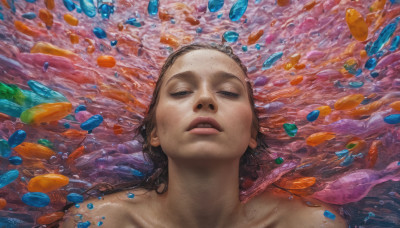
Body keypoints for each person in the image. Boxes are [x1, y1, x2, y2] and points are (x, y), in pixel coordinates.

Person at [61, 43, 347, 227]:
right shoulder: (97, 222)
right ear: (155, 132)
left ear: (252, 133)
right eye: (181, 91)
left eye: (228, 92)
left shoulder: (311, 223)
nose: (206, 99)